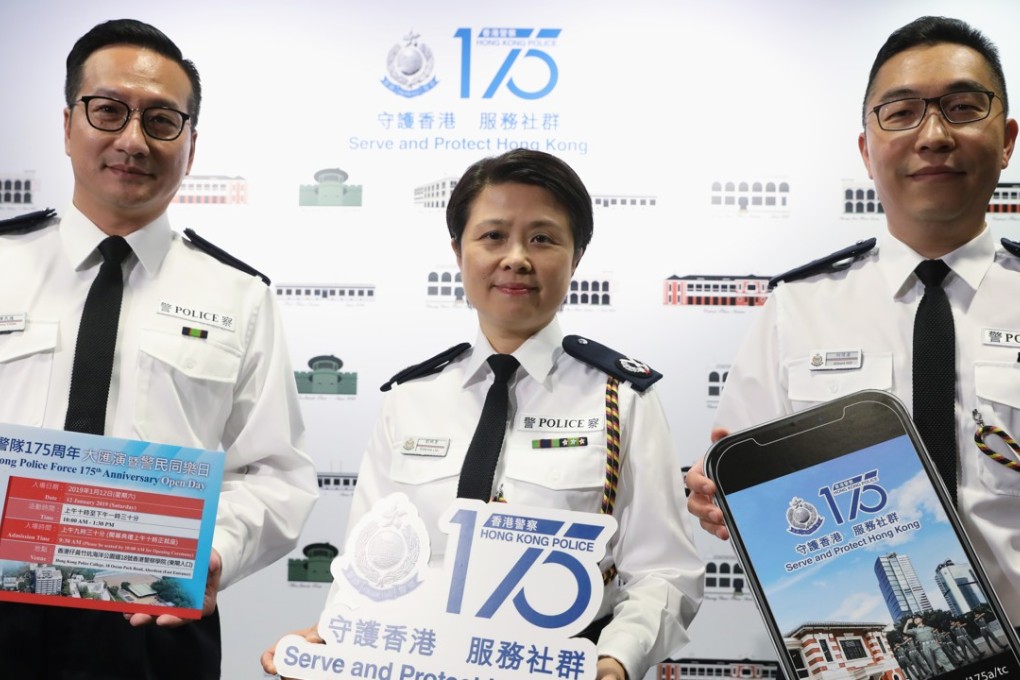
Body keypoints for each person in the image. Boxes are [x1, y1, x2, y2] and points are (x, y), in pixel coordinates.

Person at [262, 148, 704, 680]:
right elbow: (370, 566)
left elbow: (664, 571)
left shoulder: (621, 398)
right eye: (493, 236)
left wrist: (615, 660)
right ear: (458, 251)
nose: (516, 257)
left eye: (542, 238)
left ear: (577, 256)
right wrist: (335, 640)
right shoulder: (411, 396)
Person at [0, 18, 318, 679]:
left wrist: (214, 553)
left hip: (151, 622)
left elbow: (276, 475)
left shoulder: (240, 297)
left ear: (191, 144)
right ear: (67, 126)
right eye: (108, 110)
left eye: (162, 121)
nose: (132, 140)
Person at [685, 15, 1020, 632]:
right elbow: (745, 488)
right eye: (901, 113)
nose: (934, 134)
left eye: (964, 107)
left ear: (1007, 140)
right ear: (866, 151)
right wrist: (726, 500)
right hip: (883, 646)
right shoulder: (798, 307)